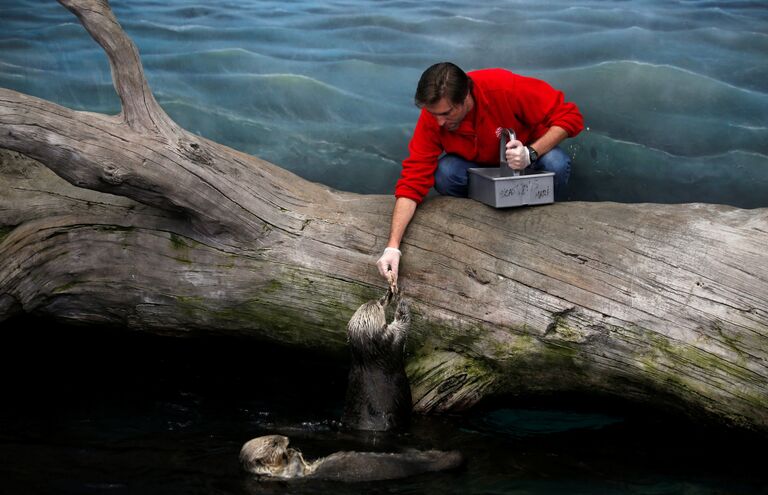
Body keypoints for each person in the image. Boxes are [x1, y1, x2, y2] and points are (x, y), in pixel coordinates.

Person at [376, 62, 584, 285]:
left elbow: (571, 116)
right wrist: (392, 246)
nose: (439, 122)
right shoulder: (434, 116)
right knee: (445, 172)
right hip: (480, 169)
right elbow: (413, 178)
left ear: (466, 97)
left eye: (446, 113)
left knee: (557, 163)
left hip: (524, 160)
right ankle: (482, 224)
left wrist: (530, 153)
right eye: (433, 114)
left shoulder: (503, 87)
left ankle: (543, 226)